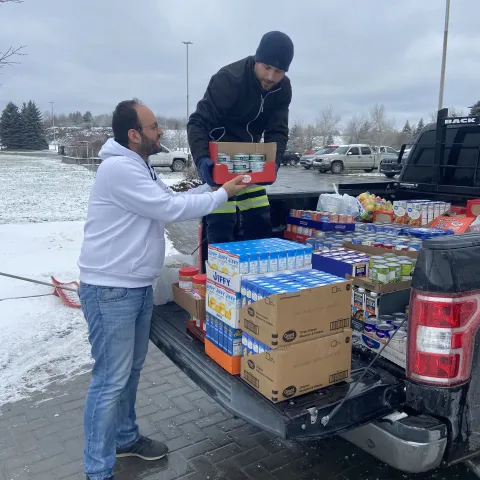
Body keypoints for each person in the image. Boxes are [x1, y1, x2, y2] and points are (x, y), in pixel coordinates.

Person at [77, 99, 247, 480]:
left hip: (132, 288)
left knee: (129, 372)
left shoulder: (137, 165)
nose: (161, 132)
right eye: (154, 127)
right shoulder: (120, 169)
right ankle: (97, 470)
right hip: (111, 292)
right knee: (110, 380)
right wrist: (223, 195)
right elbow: (169, 211)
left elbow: (169, 200)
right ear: (134, 134)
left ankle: (125, 438)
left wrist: (212, 185)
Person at [187, 31, 294, 244]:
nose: (271, 77)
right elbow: (197, 122)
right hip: (219, 161)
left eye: (279, 71)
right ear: (257, 59)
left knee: (260, 221)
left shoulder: (283, 89)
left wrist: (275, 163)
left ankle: (256, 274)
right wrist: (202, 162)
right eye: (267, 67)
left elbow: (277, 131)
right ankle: (217, 275)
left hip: (251, 161)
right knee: (221, 226)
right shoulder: (229, 79)